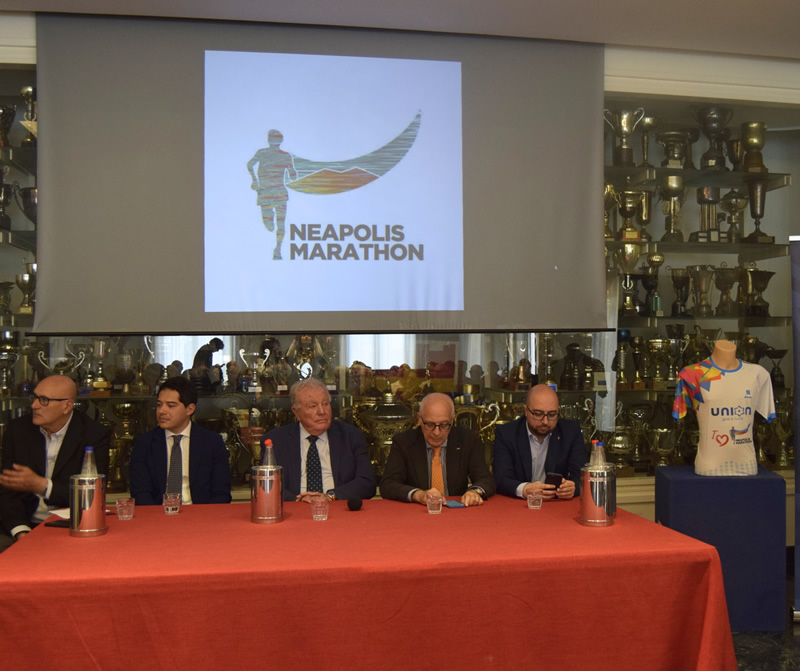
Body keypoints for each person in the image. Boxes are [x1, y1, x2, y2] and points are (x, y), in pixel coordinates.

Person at [0, 375, 112, 551]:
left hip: (69, 527)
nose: (34, 405)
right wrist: (21, 532)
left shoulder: (94, 434)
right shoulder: (18, 430)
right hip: (21, 524)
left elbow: (92, 496)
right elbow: (7, 490)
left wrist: (43, 486)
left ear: (67, 406)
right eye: (34, 398)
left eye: (44, 400)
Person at [261, 377, 376, 502]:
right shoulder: (276, 441)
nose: (322, 411)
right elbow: (265, 484)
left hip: (337, 506)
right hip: (295, 507)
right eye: (313, 406)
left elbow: (367, 482)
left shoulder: (351, 436)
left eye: (325, 404)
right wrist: (298, 499)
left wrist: (331, 496)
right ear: (296, 412)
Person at [673, 339, 775, 476]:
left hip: (747, 464)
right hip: (708, 465)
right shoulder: (691, 374)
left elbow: (767, 416)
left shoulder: (758, 374)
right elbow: (679, 414)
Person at [380, 392, 496, 506]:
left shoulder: (467, 440)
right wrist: (418, 495)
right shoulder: (404, 442)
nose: (436, 432)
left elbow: (485, 479)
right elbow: (388, 484)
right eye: (430, 425)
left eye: (444, 425)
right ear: (419, 419)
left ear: (452, 420)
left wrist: (474, 492)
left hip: (456, 510)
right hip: (418, 511)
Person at [129, 376, 231, 505]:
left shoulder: (212, 443)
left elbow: (221, 494)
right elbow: (140, 493)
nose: (161, 411)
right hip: (158, 513)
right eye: (159, 405)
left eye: (171, 405)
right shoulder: (144, 444)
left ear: (190, 409)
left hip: (200, 513)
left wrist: (204, 516)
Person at [492, 384, 587, 501]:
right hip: (518, 504)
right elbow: (501, 479)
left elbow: (582, 476)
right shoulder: (506, 434)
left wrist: (573, 487)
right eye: (538, 414)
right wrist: (524, 489)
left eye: (552, 414)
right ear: (526, 411)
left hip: (556, 504)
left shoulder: (570, 432)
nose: (545, 421)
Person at [247, 129, 297, 260]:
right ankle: (277, 246)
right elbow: (250, 165)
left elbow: (250, 165)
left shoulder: (283, 155)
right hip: (268, 193)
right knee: (271, 225)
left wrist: (255, 180)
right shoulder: (265, 153)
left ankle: (278, 249)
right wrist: (254, 180)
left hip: (274, 193)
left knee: (278, 223)